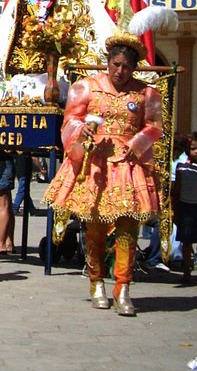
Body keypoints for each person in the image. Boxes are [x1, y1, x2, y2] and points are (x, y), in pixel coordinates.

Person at [44, 31, 163, 316]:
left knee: (128, 229)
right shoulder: (86, 87)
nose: (120, 71)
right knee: (95, 228)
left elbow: (154, 127)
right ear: (107, 63)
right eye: (115, 64)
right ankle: (96, 281)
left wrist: (135, 144)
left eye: (126, 66)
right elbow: (70, 120)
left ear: (134, 68)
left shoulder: (146, 93)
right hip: (96, 165)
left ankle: (123, 286)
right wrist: (80, 130)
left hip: (127, 165)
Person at [172, 137, 197, 286]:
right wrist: (174, 208)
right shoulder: (181, 165)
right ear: (188, 150)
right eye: (193, 148)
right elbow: (177, 187)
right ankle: (186, 272)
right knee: (186, 240)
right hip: (186, 206)